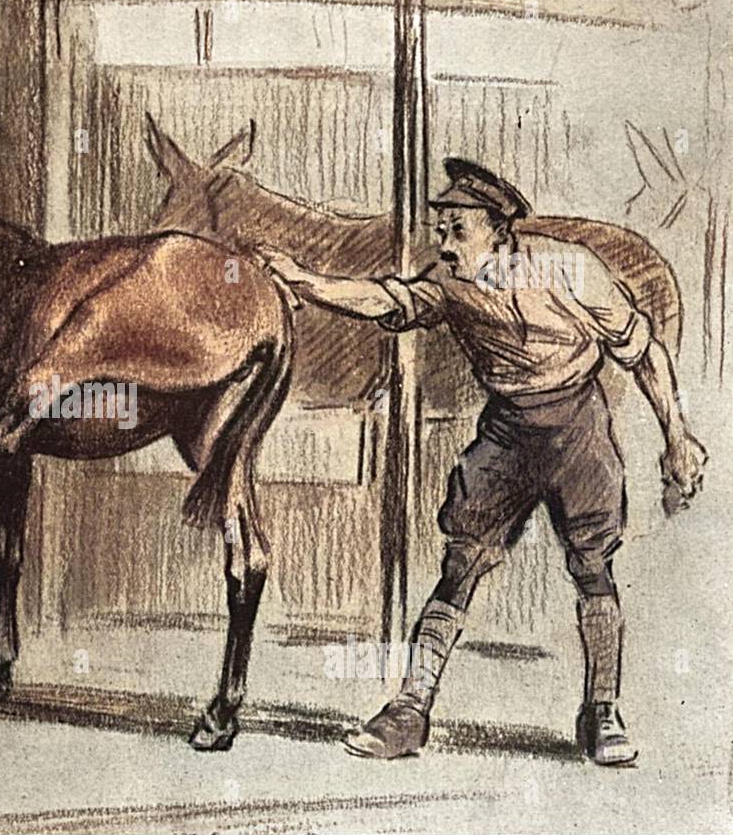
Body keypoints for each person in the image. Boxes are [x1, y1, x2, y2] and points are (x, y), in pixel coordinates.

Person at [264, 158, 707, 766]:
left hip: (578, 426)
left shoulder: (571, 269)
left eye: (456, 229)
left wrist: (676, 436)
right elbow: (381, 299)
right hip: (507, 433)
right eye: (439, 228)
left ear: (500, 230)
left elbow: (643, 349)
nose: (443, 244)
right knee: (461, 560)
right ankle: (409, 710)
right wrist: (304, 280)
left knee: (592, 563)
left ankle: (602, 711)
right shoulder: (449, 284)